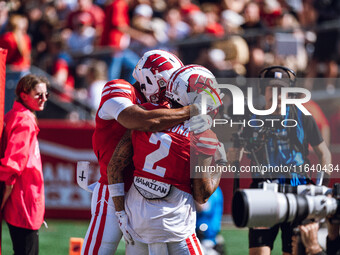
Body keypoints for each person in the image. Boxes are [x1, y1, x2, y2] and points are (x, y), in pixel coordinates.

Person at [81, 50, 219, 255]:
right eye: (165, 84)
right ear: (147, 76)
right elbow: (138, 119)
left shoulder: (164, 107)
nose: (168, 91)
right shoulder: (119, 88)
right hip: (113, 188)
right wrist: (194, 110)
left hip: (146, 196)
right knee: (99, 251)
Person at [228, 66, 332, 255]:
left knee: (292, 251)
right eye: (271, 88)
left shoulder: (303, 117)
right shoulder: (251, 119)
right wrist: (235, 152)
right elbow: (234, 155)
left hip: (298, 191)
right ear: (263, 90)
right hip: (263, 191)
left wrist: (320, 187)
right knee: (259, 252)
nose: (277, 94)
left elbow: (324, 154)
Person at [0, 74, 49, 255]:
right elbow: (13, 164)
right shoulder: (24, 119)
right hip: (24, 199)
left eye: (46, 94)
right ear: (24, 95)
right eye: (38, 95)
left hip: (23, 198)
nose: (44, 99)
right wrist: (4, 194)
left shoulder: (16, 115)